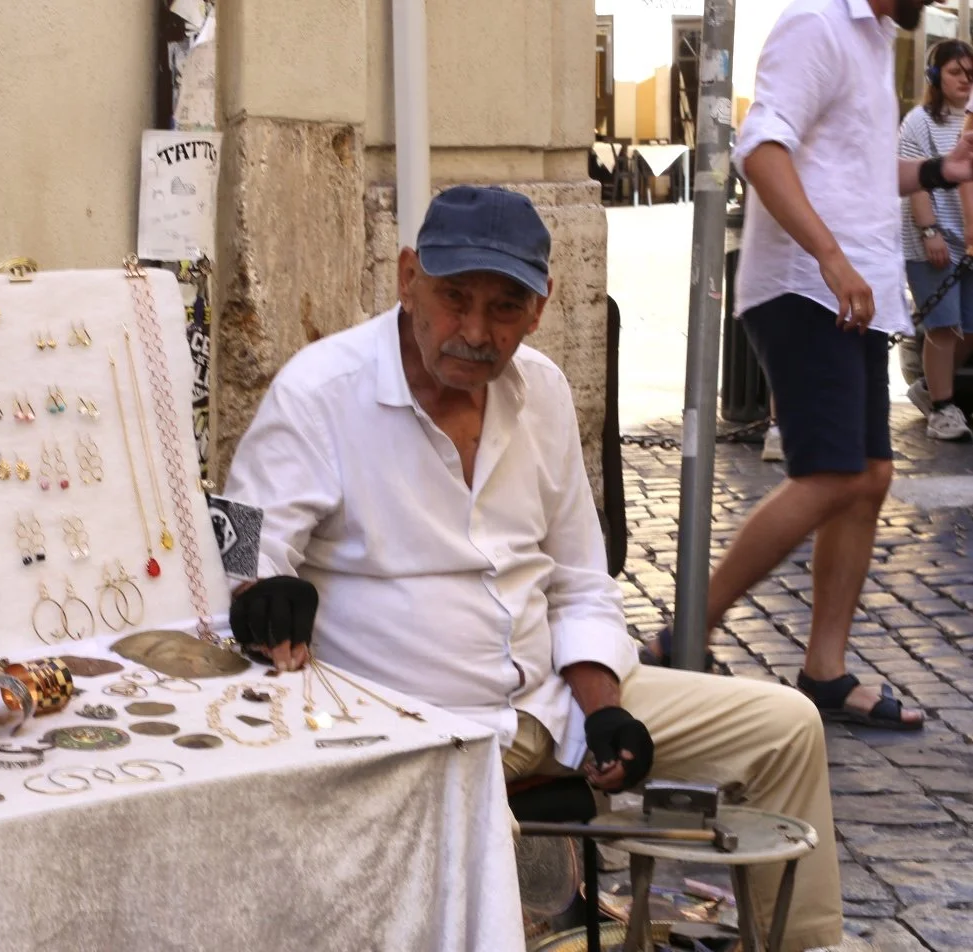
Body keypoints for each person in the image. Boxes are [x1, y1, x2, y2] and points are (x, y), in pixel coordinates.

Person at [223, 185, 845, 951]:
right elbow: (241, 553)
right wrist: (262, 595)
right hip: (416, 726)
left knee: (784, 726)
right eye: (454, 299)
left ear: (541, 307)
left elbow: (580, 579)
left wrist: (600, 705)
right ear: (405, 277)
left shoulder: (542, 391)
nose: (475, 332)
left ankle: (800, 945)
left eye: (505, 308)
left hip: (548, 700)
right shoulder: (320, 390)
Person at [641, 0, 973, 729]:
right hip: (804, 286)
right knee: (831, 474)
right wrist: (828, 257)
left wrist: (939, 171)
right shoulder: (817, 24)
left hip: (854, 291)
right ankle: (683, 635)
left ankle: (824, 670)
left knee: (869, 477)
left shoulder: (875, 38)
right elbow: (760, 148)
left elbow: (852, 169)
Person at [903, 39, 973, 440]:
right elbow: (916, 182)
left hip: (968, 242)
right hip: (932, 237)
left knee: (969, 328)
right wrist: (929, 231)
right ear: (935, 77)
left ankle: (929, 388)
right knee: (943, 326)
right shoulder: (918, 122)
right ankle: (943, 411)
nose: (965, 80)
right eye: (955, 71)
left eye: (970, 73)